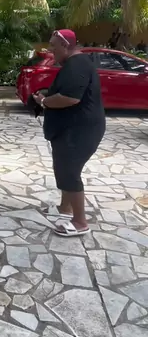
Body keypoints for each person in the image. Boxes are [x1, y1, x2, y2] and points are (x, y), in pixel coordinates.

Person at [33, 29, 105, 236]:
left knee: (69, 171)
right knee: (64, 168)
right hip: (72, 128)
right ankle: (66, 208)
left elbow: (71, 98)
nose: (50, 50)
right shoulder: (74, 64)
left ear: (65, 46)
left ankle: (80, 222)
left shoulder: (77, 64)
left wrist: (44, 101)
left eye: (53, 45)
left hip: (79, 130)